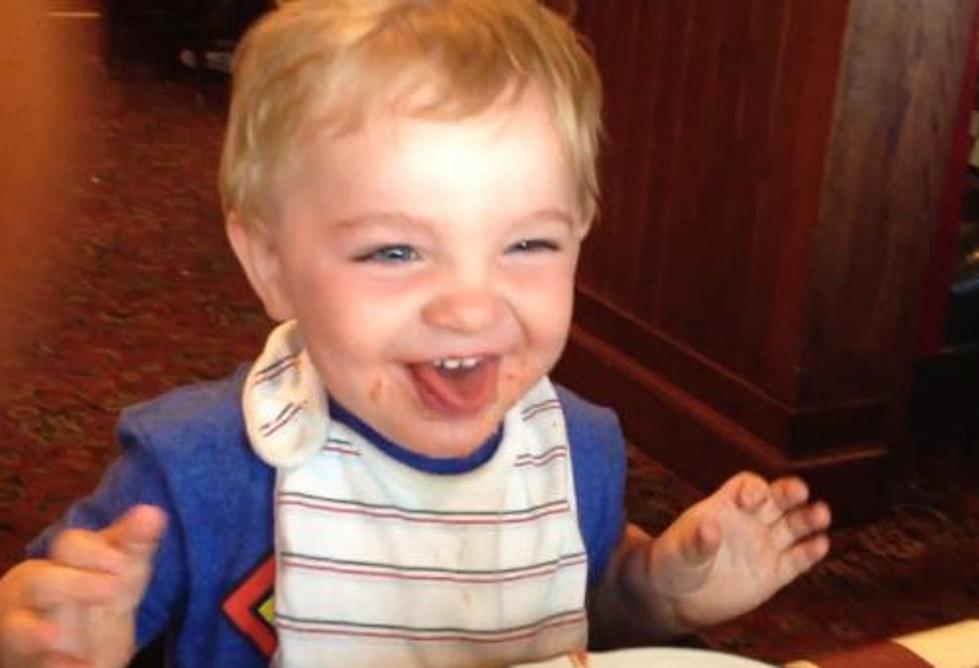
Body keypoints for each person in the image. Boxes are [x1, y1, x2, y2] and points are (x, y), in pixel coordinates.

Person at [0, 1, 832, 666]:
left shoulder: (578, 448)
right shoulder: (195, 473)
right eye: (395, 250)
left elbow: (582, 611)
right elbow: (55, 614)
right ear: (269, 265)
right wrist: (56, 639)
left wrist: (657, 591)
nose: (471, 308)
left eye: (528, 244)